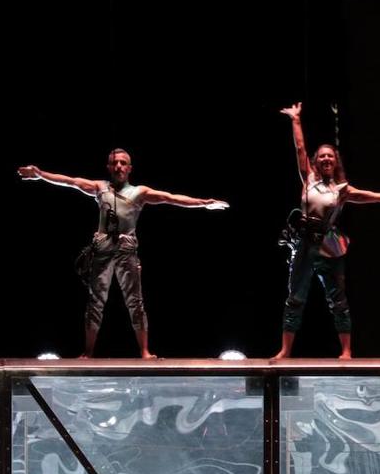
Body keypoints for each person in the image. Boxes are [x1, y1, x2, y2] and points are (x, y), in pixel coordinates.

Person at [18, 149, 228, 359]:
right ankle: (88, 352)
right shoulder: (100, 187)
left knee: (135, 302)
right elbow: (70, 181)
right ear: (109, 167)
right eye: (115, 163)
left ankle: (144, 351)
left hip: (126, 250)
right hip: (102, 248)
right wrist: (40, 174)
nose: (118, 166)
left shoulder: (139, 192)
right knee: (95, 301)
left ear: (129, 168)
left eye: (123, 163)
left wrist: (204, 203)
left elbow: (170, 198)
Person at [275, 103, 380, 359]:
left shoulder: (343, 190)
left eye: (330, 156)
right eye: (322, 156)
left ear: (335, 162)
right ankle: (286, 350)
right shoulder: (309, 180)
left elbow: (375, 197)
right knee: (295, 298)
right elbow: (300, 148)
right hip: (304, 242)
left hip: (329, 244)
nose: (326, 158)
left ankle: (346, 351)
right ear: (316, 162)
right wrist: (296, 119)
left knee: (338, 300)